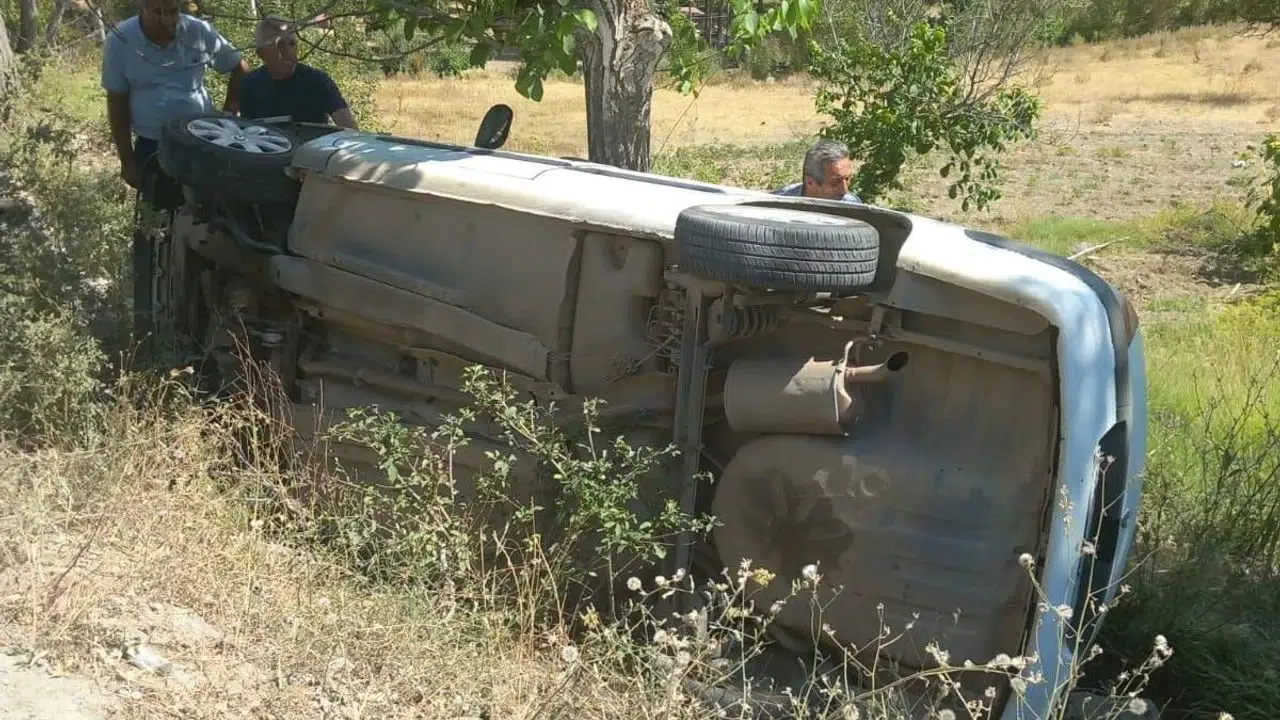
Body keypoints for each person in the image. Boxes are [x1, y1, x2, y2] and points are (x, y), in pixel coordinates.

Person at [101, 0, 248, 194]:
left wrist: (229, 112)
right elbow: (117, 102)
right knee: (158, 212)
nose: (167, 19)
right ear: (142, 8)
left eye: (172, 11)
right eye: (158, 12)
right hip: (152, 143)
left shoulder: (198, 31)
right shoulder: (120, 40)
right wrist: (127, 161)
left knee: (205, 208)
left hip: (201, 139)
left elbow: (240, 67)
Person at [238, 15, 358, 129]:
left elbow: (351, 132)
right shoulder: (250, 85)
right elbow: (248, 135)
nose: (289, 52)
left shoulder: (317, 82)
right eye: (280, 45)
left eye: (292, 44)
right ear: (261, 54)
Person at [774, 138, 862, 203]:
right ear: (810, 182)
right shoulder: (780, 204)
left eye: (847, 179)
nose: (844, 190)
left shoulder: (851, 204)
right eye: (835, 182)